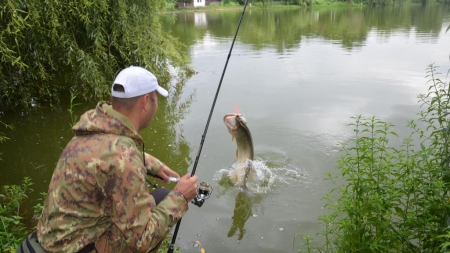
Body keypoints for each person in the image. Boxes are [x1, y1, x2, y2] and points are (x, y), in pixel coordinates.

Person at [36, 66, 199, 253]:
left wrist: (150, 163)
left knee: (159, 197)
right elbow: (142, 242)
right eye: (156, 100)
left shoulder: (92, 127)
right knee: (163, 201)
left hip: (55, 239)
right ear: (146, 102)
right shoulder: (124, 156)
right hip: (74, 248)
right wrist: (180, 197)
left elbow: (102, 154)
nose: (156, 107)